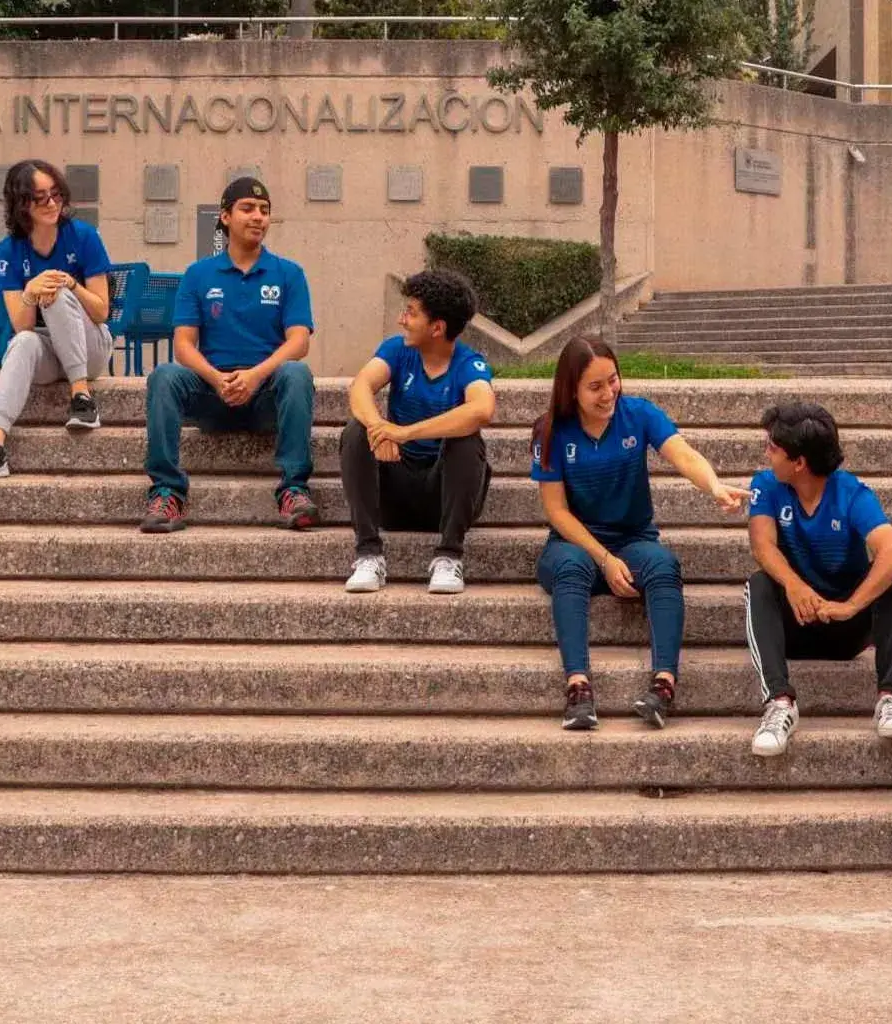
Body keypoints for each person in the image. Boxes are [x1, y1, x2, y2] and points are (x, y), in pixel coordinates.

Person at [531, 338, 750, 731]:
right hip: (573, 545)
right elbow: (557, 512)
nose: (608, 393)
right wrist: (604, 558)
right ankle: (578, 688)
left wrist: (714, 486)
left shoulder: (638, 414)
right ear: (571, 389)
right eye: (595, 387)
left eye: (612, 380)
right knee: (570, 569)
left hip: (633, 541)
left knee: (664, 565)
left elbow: (683, 454)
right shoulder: (550, 432)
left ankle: (664, 684)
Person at [141, 177, 317, 532]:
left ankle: (294, 489)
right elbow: (184, 345)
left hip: (265, 395)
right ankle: (167, 492)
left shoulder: (289, 274)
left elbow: (299, 341)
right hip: (212, 393)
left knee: (297, 373)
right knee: (164, 376)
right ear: (225, 216)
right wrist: (217, 379)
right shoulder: (198, 274)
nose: (258, 217)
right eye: (248, 209)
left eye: (265, 211)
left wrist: (254, 376)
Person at [745, 401, 892, 756]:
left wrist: (850, 606)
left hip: (845, 626)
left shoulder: (851, 492)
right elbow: (762, 546)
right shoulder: (766, 486)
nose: (766, 454)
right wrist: (794, 586)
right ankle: (779, 703)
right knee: (759, 583)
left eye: (773, 448)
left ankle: (889, 697)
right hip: (795, 623)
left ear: (799, 462)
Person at [342, 269, 495, 595]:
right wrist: (379, 430)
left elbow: (481, 408)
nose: (402, 320)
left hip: (445, 498)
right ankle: (368, 554)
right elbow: (361, 386)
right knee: (356, 430)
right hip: (394, 496)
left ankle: (449, 557)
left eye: (411, 313)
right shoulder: (397, 350)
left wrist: (405, 433)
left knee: (467, 438)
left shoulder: (469, 363)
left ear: (437, 328)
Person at [0, 159, 112, 479]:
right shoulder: (9, 250)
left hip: (92, 347)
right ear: (22, 204)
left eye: (56, 195)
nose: (51, 204)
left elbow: (102, 311)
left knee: (57, 292)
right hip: (50, 352)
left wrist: (70, 285)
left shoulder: (84, 236)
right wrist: (30, 292)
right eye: (40, 197)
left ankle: (82, 398)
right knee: (22, 341)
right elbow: (22, 325)